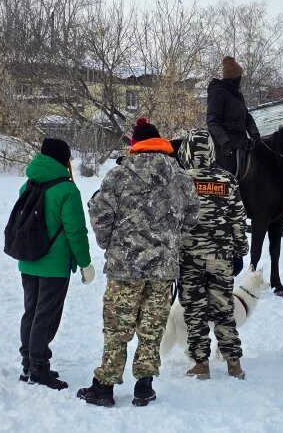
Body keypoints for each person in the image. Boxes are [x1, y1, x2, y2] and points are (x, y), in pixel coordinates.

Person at [78, 119, 199, 407]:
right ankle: (144, 386)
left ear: (135, 145)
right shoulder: (181, 177)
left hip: (125, 268)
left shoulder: (119, 175)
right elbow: (193, 216)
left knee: (117, 326)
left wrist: (110, 243)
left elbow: (101, 214)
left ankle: (105, 387)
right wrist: (169, 239)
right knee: (152, 326)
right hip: (163, 269)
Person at [17, 138, 94, 390]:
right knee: (46, 316)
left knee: (31, 311)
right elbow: (76, 231)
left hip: (28, 259)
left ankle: (28, 362)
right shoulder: (67, 190)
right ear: (64, 159)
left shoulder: (28, 183)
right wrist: (85, 263)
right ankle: (39, 367)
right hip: (55, 265)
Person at [176, 130, 250, 381]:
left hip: (188, 258)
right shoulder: (227, 180)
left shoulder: (179, 180)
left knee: (195, 310)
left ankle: (201, 364)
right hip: (221, 256)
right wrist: (241, 249)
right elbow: (238, 220)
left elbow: (172, 220)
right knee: (223, 308)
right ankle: (234, 364)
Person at [206, 56, 261, 177]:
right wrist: (224, 142)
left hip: (241, 144)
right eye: (238, 77)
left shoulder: (237, 95)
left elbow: (247, 117)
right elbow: (212, 120)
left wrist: (255, 135)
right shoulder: (218, 92)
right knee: (230, 178)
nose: (240, 80)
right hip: (224, 148)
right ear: (233, 78)